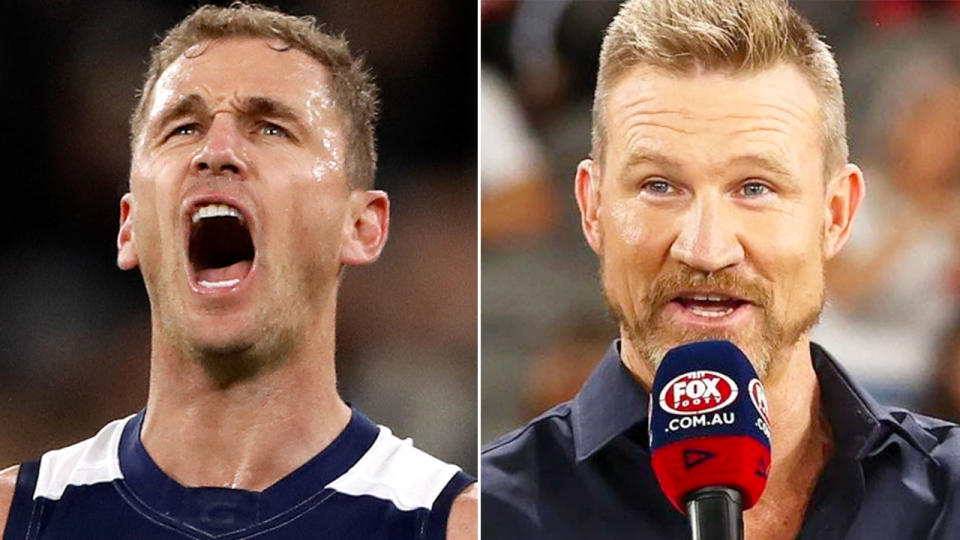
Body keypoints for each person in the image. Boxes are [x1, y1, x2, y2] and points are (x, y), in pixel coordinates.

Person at [481, 0, 960, 539]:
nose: (706, 250)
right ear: (593, 209)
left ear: (836, 216)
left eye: (755, 188)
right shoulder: (488, 515)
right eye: (659, 186)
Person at [0, 4, 476, 539]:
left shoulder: (459, 524)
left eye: (271, 128)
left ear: (362, 226)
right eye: (183, 128)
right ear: (128, 226)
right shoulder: (13, 518)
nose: (217, 150)